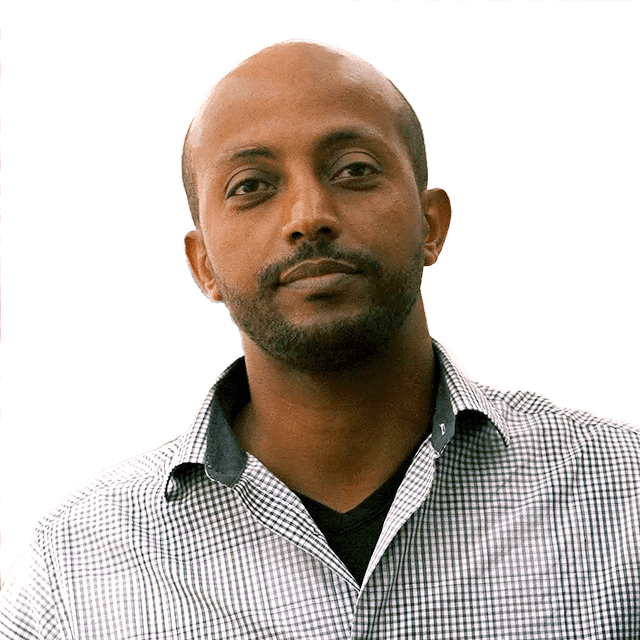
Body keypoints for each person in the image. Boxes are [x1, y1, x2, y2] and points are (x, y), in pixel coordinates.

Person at [1, 38, 638, 639]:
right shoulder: (75, 567)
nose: (309, 216)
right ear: (203, 267)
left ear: (432, 225)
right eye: (251, 186)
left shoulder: (625, 491)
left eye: (354, 170)